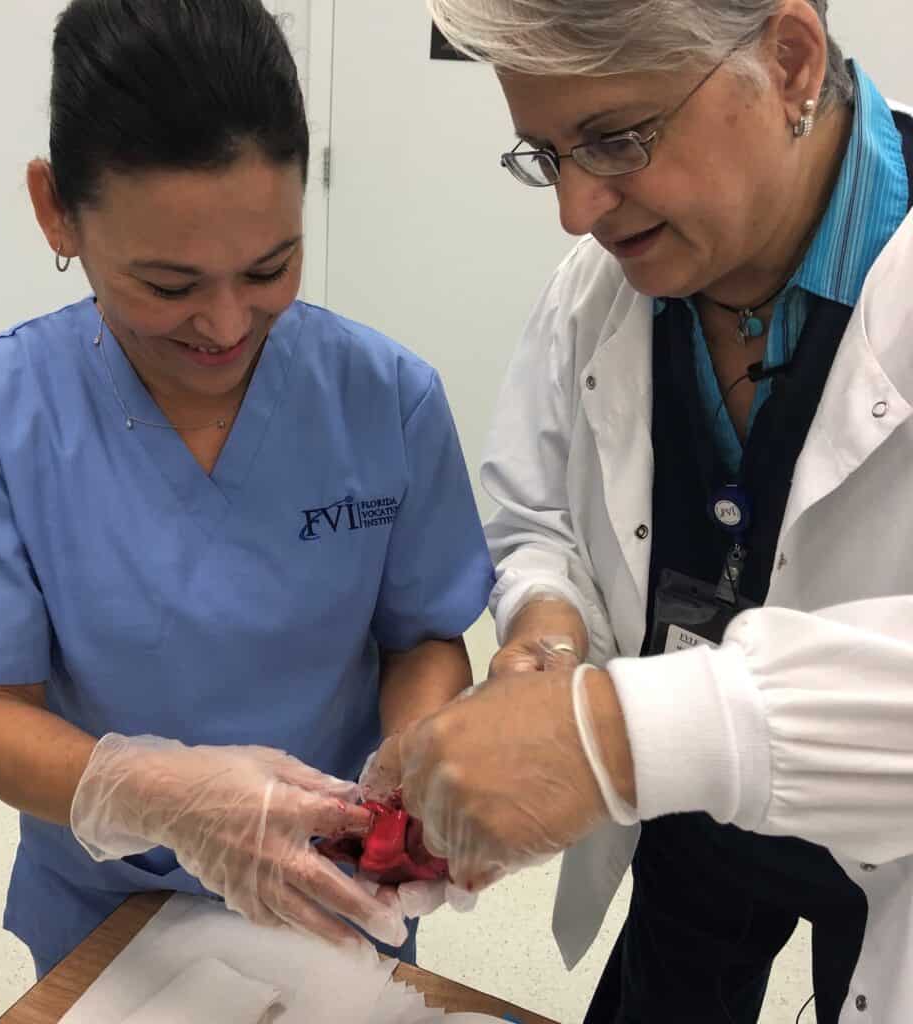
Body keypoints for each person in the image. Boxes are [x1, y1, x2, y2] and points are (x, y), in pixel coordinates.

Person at [0, 0, 493, 979]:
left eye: (270, 267)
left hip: (336, 891)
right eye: (169, 285)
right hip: (108, 909)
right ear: (55, 209)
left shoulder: (385, 397)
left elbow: (421, 635)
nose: (225, 324)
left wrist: (416, 774)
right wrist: (160, 797)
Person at [366, 1, 913, 1021]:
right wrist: (547, 633)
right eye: (546, 155)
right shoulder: (605, 285)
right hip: (684, 811)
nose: (576, 210)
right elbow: (538, 515)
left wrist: (620, 736)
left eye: (617, 138)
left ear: (790, 61)